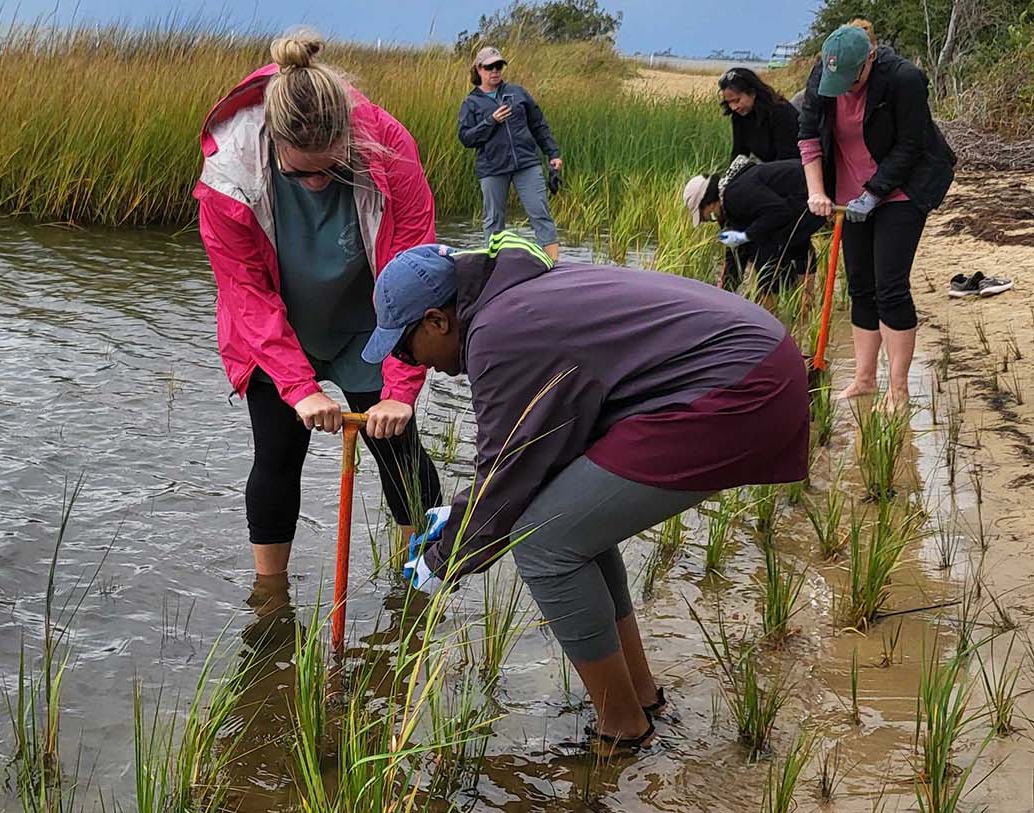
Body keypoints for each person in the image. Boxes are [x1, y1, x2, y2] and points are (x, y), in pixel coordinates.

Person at [363, 233, 809, 748]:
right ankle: (640, 697)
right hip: (756, 359)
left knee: (542, 542)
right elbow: (536, 458)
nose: (411, 362)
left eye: (404, 346)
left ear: (437, 321)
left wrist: (444, 556)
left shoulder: (499, 332)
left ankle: (621, 730)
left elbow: (508, 470)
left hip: (739, 386)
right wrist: (460, 517)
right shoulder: (515, 297)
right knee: (572, 525)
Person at [194, 31, 442, 577]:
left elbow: (414, 272)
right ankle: (269, 602)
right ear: (271, 144)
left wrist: (401, 392)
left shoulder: (388, 147)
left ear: (351, 140)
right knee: (277, 456)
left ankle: (424, 586)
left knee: (401, 452)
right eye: (299, 172)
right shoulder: (228, 177)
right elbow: (246, 295)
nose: (315, 183)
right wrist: (299, 387)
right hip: (277, 327)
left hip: (370, 323)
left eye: (331, 169)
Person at [798, 22, 956, 407]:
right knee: (860, 286)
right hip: (849, 191)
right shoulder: (825, 72)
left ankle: (898, 389)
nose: (846, 88)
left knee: (890, 286)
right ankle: (865, 378)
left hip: (904, 188)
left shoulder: (904, 79)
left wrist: (874, 193)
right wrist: (816, 191)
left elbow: (910, 146)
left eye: (852, 80)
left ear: (869, 59)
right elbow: (808, 136)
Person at [457, 46, 563, 260]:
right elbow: (466, 138)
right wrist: (491, 121)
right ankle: (495, 267)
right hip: (492, 168)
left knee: (540, 213)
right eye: (489, 67)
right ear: (478, 69)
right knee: (494, 220)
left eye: (499, 66)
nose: (495, 71)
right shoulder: (471, 103)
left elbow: (538, 125)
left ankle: (554, 265)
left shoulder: (518, 93)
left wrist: (553, 153)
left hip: (526, 163)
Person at [683, 157, 827, 293]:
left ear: (708, 202)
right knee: (764, 239)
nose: (707, 220)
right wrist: (725, 291)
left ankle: (780, 302)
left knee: (763, 244)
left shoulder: (735, 195)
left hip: (816, 190)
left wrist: (746, 235)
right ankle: (797, 299)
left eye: (704, 215)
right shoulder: (728, 201)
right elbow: (736, 253)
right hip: (808, 190)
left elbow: (779, 212)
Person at [719, 67, 801, 162]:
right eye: (729, 102)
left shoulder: (780, 112)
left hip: (794, 167)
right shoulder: (739, 116)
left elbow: (788, 156)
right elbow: (739, 154)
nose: (733, 107)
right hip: (772, 168)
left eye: (737, 100)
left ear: (752, 93)